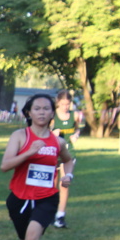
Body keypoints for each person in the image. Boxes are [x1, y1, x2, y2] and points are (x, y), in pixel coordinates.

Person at [0, 93, 75, 240]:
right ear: (29, 113)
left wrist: (68, 176)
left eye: (46, 109)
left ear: (52, 113)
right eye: (37, 108)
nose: (42, 112)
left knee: (32, 238)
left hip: (46, 198)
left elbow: (68, 161)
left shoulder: (58, 141)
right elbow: (5, 166)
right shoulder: (19, 136)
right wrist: (29, 153)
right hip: (19, 198)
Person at [51, 90, 78, 229]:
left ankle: (60, 215)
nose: (65, 107)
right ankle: (50, 212)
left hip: (68, 154)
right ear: (58, 102)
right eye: (62, 104)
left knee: (64, 184)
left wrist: (76, 135)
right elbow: (42, 132)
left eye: (67, 104)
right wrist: (52, 134)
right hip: (54, 153)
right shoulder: (52, 115)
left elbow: (77, 129)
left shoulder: (74, 115)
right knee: (52, 184)